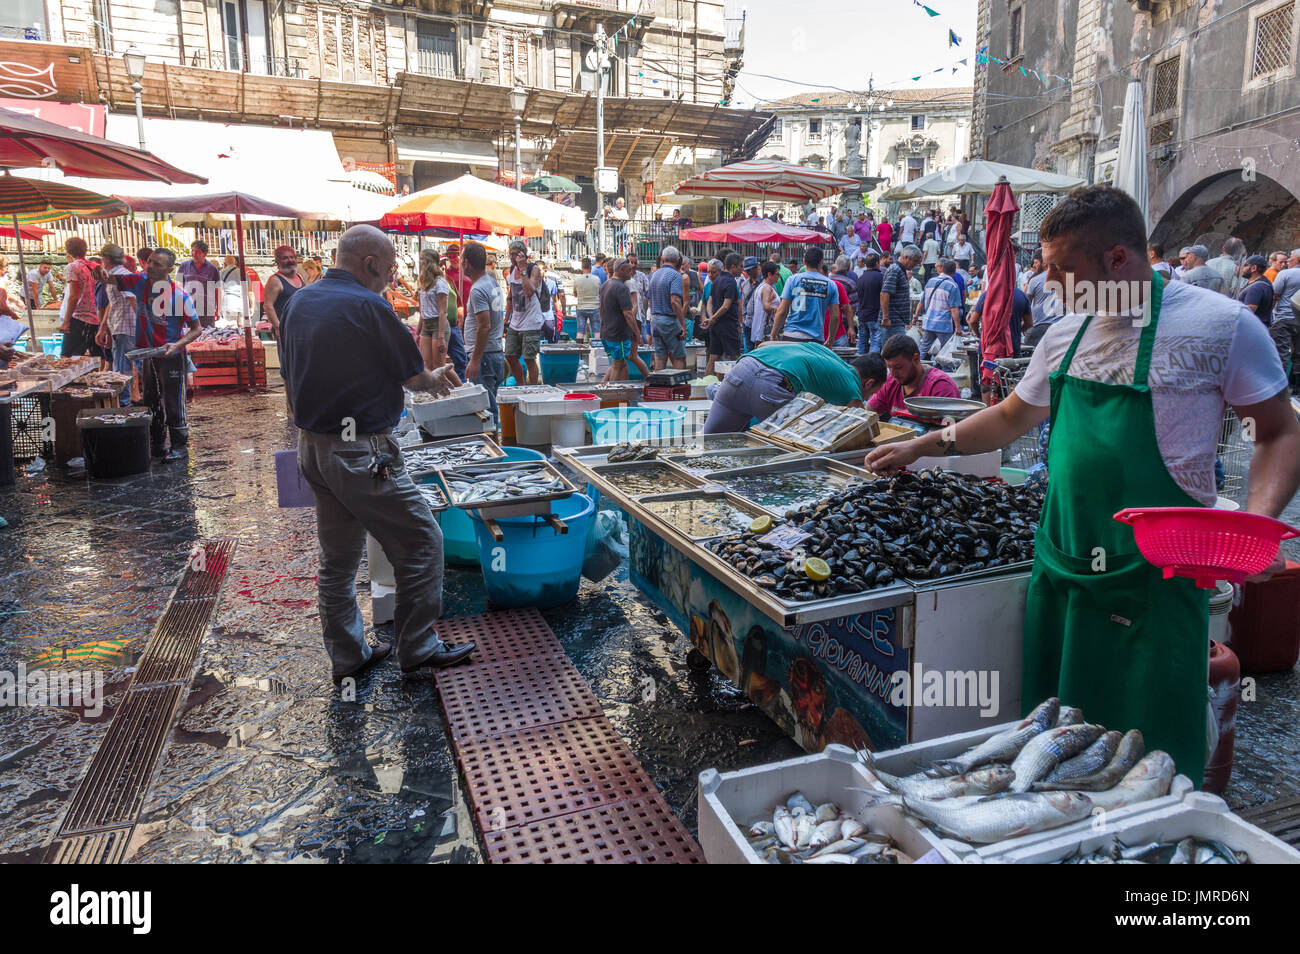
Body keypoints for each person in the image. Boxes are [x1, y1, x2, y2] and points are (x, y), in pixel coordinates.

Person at [867, 185, 1300, 786]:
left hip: (1156, 580)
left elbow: (1278, 432)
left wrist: (1257, 523)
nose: (1048, 285)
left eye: (1062, 271)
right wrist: (926, 445)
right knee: (1051, 755)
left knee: (1149, 762)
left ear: (1118, 260)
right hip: (1064, 569)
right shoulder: (1065, 333)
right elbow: (1011, 417)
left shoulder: (1221, 325)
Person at [280, 225, 472, 684]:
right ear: (369, 264)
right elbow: (414, 377)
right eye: (387, 270)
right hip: (359, 449)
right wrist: (437, 376)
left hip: (312, 445)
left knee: (338, 560)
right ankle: (419, 647)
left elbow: (291, 376)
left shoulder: (298, 301)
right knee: (421, 541)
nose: (390, 277)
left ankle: (348, 655)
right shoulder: (369, 305)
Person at [103, 249, 201, 459]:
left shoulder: (179, 295)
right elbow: (112, 278)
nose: (150, 266)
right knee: (151, 400)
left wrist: (176, 345)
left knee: (174, 402)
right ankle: (157, 444)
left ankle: (179, 447)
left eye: (157, 264)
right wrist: (98, 272)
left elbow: (196, 329)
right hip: (149, 354)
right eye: (149, 261)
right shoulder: (139, 281)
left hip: (172, 356)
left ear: (169, 269)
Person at [703, 343, 887, 434]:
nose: (867, 398)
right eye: (871, 393)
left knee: (709, 445)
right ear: (869, 383)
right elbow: (861, 428)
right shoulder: (852, 386)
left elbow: (767, 345)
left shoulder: (826, 355)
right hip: (772, 384)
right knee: (793, 451)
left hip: (740, 371)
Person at [462, 241, 506, 426]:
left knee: (486, 409)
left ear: (467, 263)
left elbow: (484, 326)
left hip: (485, 355)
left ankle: (493, 448)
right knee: (489, 404)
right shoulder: (491, 282)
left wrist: (475, 360)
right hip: (493, 352)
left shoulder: (478, 289)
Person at [92, 244, 139, 406]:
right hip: (119, 326)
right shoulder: (113, 276)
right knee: (121, 367)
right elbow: (112, 304)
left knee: (122, 370)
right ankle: (124, 403)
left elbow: (132, 300)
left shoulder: (121, 276)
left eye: (102, 258)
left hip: (127, 328)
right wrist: (103, 327)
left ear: (107, 259)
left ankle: (124, 405)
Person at [770, 246, 838, 344]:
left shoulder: (793, 280)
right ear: (821, 263)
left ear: (804, 261)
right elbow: (835, 316)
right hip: (815, 340)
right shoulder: (831, 285)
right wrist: (830, 340)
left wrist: (773, 334)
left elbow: (782, 311)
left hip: (791, 337)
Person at [600, 257, 650, 382]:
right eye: (629, 270)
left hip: (607, 332)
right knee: (618, 365)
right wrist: (637, 333)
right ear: (621, 270)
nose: (631, 273)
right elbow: (628, 313)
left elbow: (600, 309)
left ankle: (604, 389)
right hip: (618, 334)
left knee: (617, 364)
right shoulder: (621, 288)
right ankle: (612, 396)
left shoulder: (606, 284)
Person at [504, 240, 545, 385]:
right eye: (510, 254)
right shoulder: (511, 269)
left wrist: (522, 269)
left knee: (529, 358)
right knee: (510, 355)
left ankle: (532, 388)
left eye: (515, 254)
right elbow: (511, 296)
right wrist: (506, 318)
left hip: (531, 321)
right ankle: (521, 385)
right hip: (515, 321)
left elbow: (528, 291)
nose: (512, 257)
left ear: (523, 255)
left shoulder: (533, 269)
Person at [58, 237, 103, 359]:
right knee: (97, 358)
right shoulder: (96, 266)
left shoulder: (72, 267)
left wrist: (66, 321)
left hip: (79, 318)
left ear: (68, 251)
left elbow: (73, 296)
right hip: (96, 317)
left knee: (67, 358)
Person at [648, 245, 687, 370]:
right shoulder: (675, 275)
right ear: (677, 260)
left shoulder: (653, 275)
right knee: (679, 357)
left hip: (655, 319)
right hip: (669, 320)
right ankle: (679, 388)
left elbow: (649, 298)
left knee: (660, 357)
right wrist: (683, 325)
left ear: (662, 259)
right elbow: (675, 301)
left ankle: (660, 388)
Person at [969, 282, 1031, 360]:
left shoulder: (987, 294)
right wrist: (1016, 331)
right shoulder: (1021, 295)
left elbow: (973, 321)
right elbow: (1029, 323)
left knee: (987, 371)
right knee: (1010, 371)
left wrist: (979, 335)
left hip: (988, 347)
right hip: (1013, 346)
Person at [704, 252, 743, 373]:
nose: (742, 269)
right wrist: (712, 318)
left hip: (716, 326)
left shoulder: (716, 280)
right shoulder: (730, 282)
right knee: (735, 356)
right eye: (741, 266)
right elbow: (726, 306)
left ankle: (706, 384)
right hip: (728, 325)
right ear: (733, 267)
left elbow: (709, 302)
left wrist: (711, 318)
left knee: (714, 357)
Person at [916, 258, 961, 360]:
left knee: (923, 348)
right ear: (954, 271)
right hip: (943, 324)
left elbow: (921, 302)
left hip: (929, 322)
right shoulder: (953, 285)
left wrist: (915, 317)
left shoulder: (931, 281)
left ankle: (915, 368)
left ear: (942, 269)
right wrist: (958, 327)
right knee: (946, 352)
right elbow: (954, 309)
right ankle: (945, 372)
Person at [417, 248, 451, 372]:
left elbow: (443, 311)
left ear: (428, 262)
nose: (419, 261)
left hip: (438, 324)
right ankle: (433, 391)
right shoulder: (423, 282)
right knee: (427, 365)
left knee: (439, 366)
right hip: (427, 324)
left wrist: (441, 336)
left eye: (421, 259)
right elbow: (423, 309)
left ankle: (457, 387)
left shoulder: (440, 282)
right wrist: (418, 332)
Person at [879, 244, 919, 343]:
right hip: (893, 322)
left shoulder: (900, 270)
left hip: (896, 321)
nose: (916, 264)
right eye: (915, 261)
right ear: (906, 258)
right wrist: (885, 318)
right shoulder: (895, 270)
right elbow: (885, 293)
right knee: (893, 352)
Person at [262, 245, 304, 339]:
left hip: (300, 328)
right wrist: (278, 328)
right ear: (278, 262)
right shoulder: (275, 280)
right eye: (285, 258)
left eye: (292, 257)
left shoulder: (299, 277)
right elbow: (268, 306)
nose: (290, 260)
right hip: (286, 330)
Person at [1271, 248, 1300, 381]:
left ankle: (1278, 384)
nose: (1288, 260)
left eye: (1291, 257)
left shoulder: (1285, 274)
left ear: (1298, 260)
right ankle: (1296, 386)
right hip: (1298, 319)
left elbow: (1275, 295)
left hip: (1284, 318)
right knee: (1298, 354)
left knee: (1279, 353)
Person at [1022, 260, 1065, 348]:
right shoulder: (1066, 278)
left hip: (1040, 326)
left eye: (1036, 262)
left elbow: (1026, 304)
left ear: (1044, 263)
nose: (1034, 265)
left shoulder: (1035, 280)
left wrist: (1024, 324)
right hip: (1060, 326)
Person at [178, 240, 221, 328]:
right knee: (188, 336)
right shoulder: (183, 266)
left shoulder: (213, 269)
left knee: (208, 336)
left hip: (206, 310)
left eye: (197, 251)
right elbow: (179, 287)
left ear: (204, 254)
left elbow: (218, 290)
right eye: (192, 250)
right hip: (187, 309)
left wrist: (218, 309)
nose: (194, 253)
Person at [854, 252, 885, 355]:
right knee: (875, 342)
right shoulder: (881, 277)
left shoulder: (860, 278)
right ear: (877, 263)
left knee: (861, 342)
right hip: (874, 316)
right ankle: (873, 366)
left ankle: (857, 365)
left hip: (862, 315)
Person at [828, 255, 858, 348]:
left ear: (836, 266)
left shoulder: (827, 280)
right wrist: (851, 326)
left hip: (826, 321)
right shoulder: (850, 283)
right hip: (843, 323)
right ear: (849, 267)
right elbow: (852, 308)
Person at [1237, 255, 1273, 329]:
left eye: (1245, 266)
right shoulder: (1264, 282)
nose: (1242, 269)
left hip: (1252, 329)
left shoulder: (1256, 288)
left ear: (1254, 268)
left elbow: (1248, 312)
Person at [572, 257, 601, 342]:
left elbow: (575, 294)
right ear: (591, 267)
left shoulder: (577, 280)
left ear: (582, 267)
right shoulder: (597, 279)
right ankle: (597, 349)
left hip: (581, 307)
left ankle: (579, 351)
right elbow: (600, 291)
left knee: (580, 331)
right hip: (594, 307)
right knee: (596, 331)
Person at [218, 254, 251, 327]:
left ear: (225, 264)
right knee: (242, 328)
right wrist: (252, 306)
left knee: (231, 328)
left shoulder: (221, 273)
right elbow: (250, 292)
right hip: (242, 303)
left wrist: (218, 307)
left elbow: (220, 291)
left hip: (229, 303)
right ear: (235, 262)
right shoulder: (244, 273)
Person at [754, 261, 780, 346]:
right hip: (766, 331)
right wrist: (780, 310)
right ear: (769, 275)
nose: (778, 277)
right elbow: (766, 307)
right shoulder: (767, 288)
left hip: (762, 330)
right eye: (777, 274)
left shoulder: (763, 286)